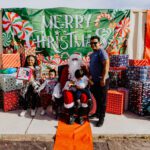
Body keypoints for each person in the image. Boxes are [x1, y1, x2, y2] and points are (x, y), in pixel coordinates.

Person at [59, 53, 90, 125]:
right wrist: (70, 85)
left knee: (84, 97)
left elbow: (87, 79)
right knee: (68, 96)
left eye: (76, 60)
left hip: (81, 88)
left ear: (79, 61)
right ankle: (71, 115)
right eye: (73, 60)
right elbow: (63, 81)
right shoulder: (66, 69)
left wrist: (83, 85)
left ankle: (81, 116)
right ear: (70, 61)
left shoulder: (83, 69)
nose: (74, 62)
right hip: (70, 87)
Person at [89, 36, 109, 127]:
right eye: (91, 43)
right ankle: (97, 113)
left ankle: (101, 118)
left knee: (102, 100)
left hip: (102, 80)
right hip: (95, 81)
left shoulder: (101, 51)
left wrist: (103, 78)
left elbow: (106, 63)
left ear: (99, 43)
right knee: (97, 98)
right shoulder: (92, 54)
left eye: (95, 43)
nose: (93, 44)